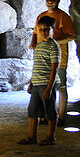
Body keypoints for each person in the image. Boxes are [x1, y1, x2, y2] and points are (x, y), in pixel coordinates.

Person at [19, 13, 60, 145]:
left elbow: (54, 69)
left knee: (50, 111)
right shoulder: (39, 46)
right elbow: (36, 65)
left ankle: (51, 137)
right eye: (41, 29)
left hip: (47, 83)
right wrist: (31, 82)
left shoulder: (54, 47)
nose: (44, 32)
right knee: (33, 110)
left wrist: (49, 87)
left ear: (52, 30)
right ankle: (32, 136)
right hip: (37, 83)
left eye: (47, 29)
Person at [43, 0, 76, 125]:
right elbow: (36, 34)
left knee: (61, 87)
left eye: (53, 0)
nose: (50, 2)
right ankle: (47, 115)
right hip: (45, 58)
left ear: (58, 1)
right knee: (45, 87)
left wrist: (56, 42)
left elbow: (72, 35)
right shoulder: (42, 16)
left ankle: (61, 117)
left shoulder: (63, 17)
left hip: (59, 58)